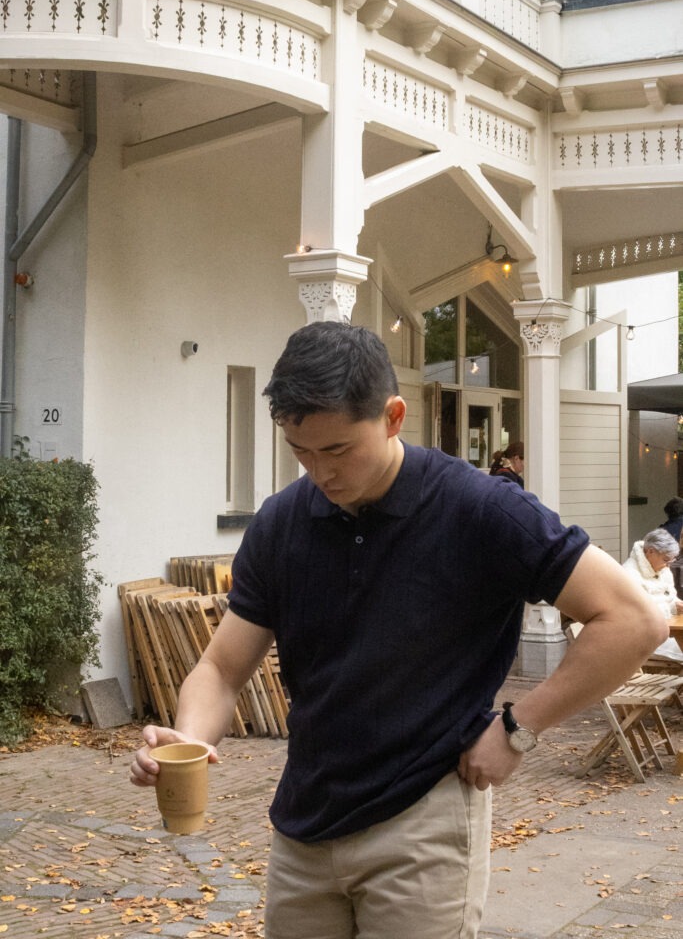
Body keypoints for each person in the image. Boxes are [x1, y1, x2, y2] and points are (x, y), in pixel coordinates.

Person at [131, 321, 666, 939]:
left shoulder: (481, 510)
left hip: (425, 820)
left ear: (392, 417)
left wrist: (518, 730)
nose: (319, 472)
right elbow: (221, 669)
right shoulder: (281, 524)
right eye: (300, 451)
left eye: (336, 450)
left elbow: (633, 619)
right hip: (304, 828)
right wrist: (190, 741)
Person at [622, 527, 683, 663]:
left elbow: (671, 597)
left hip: (668, 631)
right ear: (650, 552)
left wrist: (677, 604)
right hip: (645, 638)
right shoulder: (629, 575)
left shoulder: (663, 570)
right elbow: (642, 613)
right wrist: (671, 608)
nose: (668, 565)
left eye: (671, 561)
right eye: (666, 560)